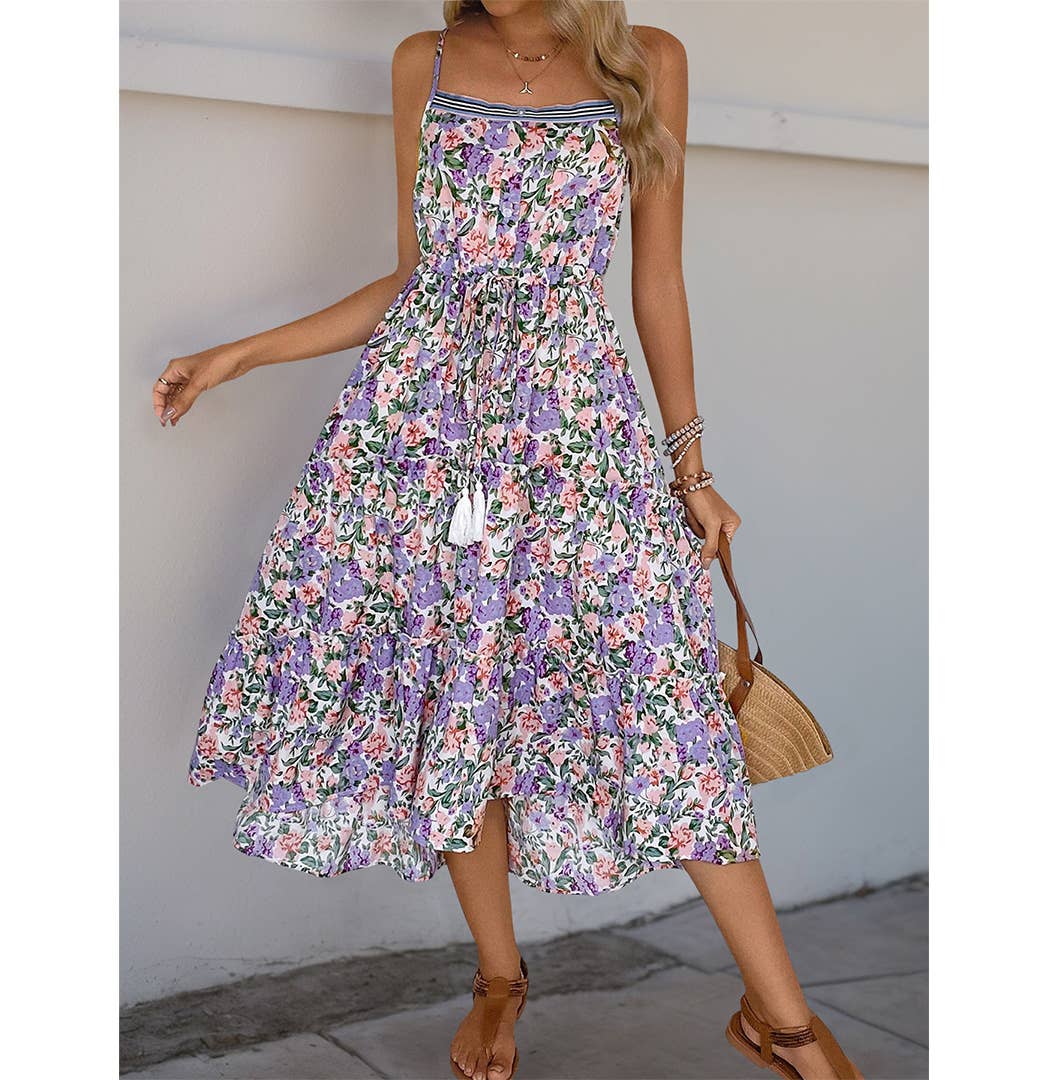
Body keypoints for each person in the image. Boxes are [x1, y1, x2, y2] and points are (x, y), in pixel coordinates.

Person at [159, 3, 862, 1078]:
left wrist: (691, 470)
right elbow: (418, 279)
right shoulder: (425, 60)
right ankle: (499, 978)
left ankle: (787, 1025)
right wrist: (241, 355)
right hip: (420, 439)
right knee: (458, 690)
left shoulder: (647, 60)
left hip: (573, 434)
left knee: (669, 710)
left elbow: (656, 281)